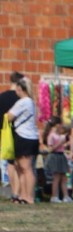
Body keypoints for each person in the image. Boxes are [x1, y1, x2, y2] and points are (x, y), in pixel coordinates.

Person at [5, 75, 39, 205]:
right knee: (20, 167)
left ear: (20, 88)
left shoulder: (23, 102)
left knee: (26, 167)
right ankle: (23, 195)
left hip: (24, 136)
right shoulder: (30, 102)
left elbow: (9, 117)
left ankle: (28, 196)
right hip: (27, 136)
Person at [0, 71, 23, 202]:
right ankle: (20, 192)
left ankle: (14, 193)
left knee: (10, 163)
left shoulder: (2, 96)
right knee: (20, 164)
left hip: (4, 133)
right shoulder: (22, 98)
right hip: (19, 132)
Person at [42, 117, 71, 203]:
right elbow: (50, 149)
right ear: (57, 125)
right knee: (56, 177)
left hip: (61, 156)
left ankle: (66, 196)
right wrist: (60, 143)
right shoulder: (51, 135)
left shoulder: (59, 135)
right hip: (55, 157)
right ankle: (54, 196)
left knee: (64, 177)